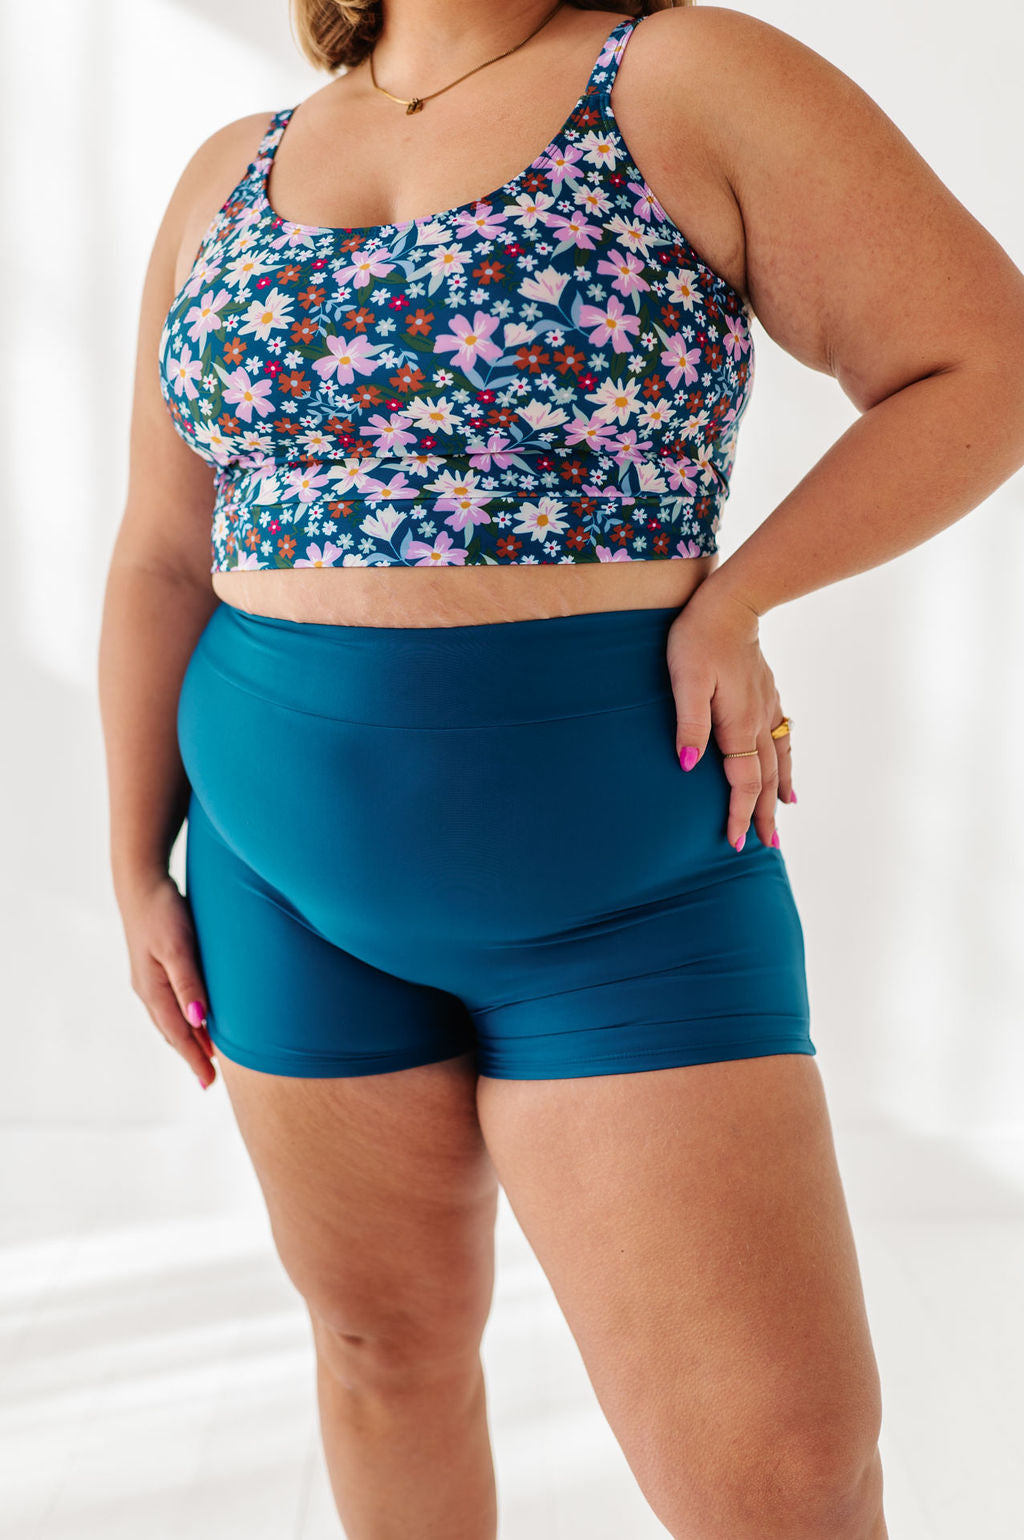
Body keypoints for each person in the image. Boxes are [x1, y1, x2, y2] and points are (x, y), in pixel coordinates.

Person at [97, 1, 1024, 1535]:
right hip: (270, 880)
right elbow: (160, 550)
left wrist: (742, 596)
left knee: (783, 1480)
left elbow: (982, 360)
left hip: (620, 882)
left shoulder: (678, 78)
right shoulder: (231, 168)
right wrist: (134, 860)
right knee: (382, 1353)